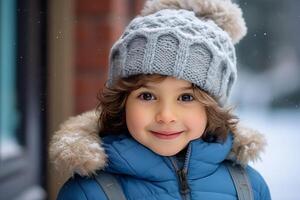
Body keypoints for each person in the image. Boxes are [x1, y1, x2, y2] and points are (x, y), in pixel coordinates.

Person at [49, 0, 271, 199]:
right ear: (122, 102)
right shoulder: (88, 193)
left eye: (186, 97)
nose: (166, 115)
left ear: (212, 108)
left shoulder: (249, 188)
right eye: (147, 96)